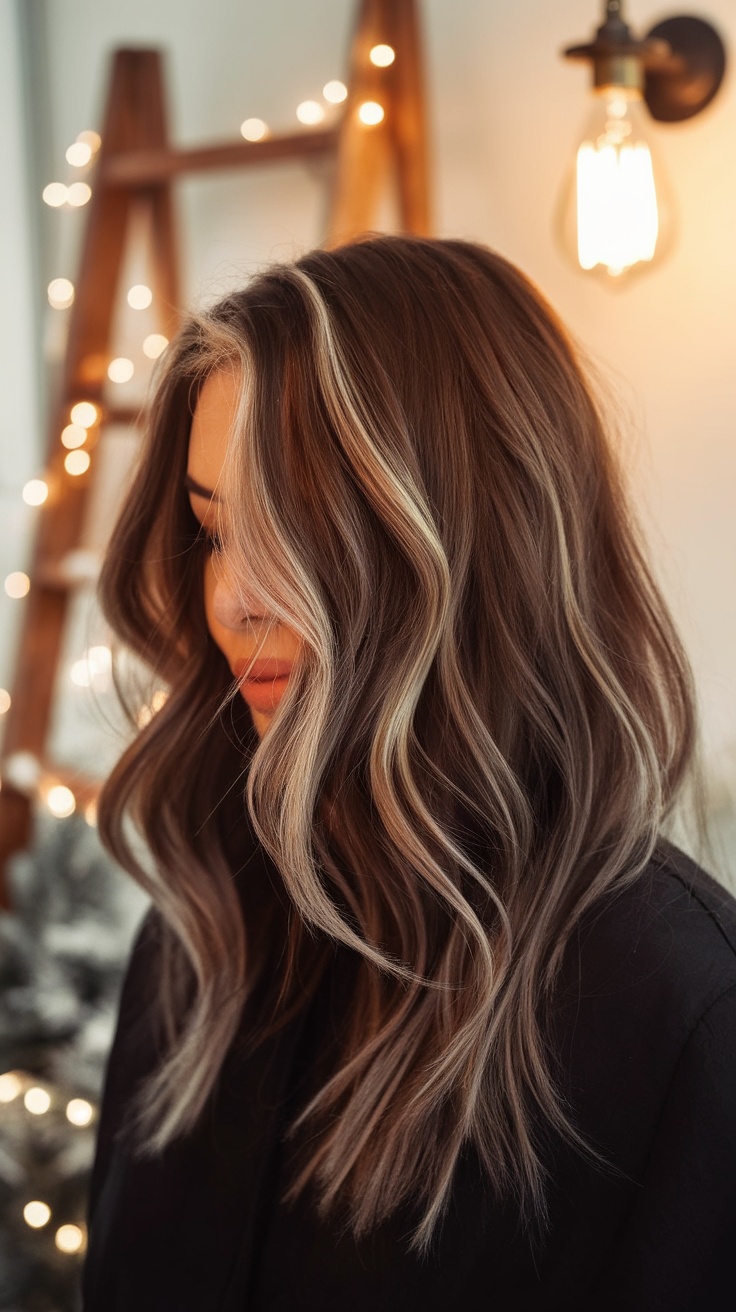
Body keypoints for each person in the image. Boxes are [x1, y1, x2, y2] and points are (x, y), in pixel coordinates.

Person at [82, 236, 736, 1311]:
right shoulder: (201, 939)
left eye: (297, 529)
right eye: (213, 530)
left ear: (472, 539)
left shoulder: (679, 1023)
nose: (234, 599)